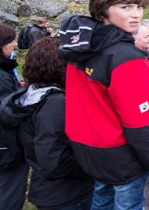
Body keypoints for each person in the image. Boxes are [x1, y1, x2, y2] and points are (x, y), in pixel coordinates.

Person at [58, 0, 149, 208]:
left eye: (139, 7)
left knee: (101, 201)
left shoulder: (80, 48)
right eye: (125, 7)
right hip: (121, 158)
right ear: (102, 10)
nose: (136, 14)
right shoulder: (127, 59)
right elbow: (141, 124)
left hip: (88, 152)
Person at [0, 38, 94, 209]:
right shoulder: (54, 103)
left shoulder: (30, 94)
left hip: (48, 188)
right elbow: (52, 159)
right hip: (66, 194)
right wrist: (90, 166)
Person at [0, 23, 28, 210]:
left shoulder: (6, 71)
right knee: (9, 195)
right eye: (11, 40)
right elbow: (9, 112)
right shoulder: (2, 77)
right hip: (6, 148)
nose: (15, 44)